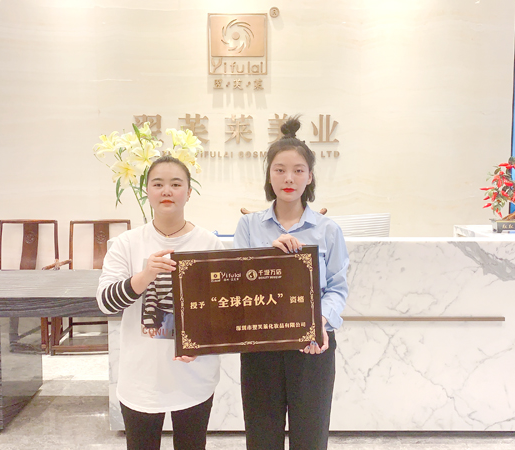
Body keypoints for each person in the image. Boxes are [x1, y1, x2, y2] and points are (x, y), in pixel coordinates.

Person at [233, 116, 349, 450]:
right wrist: (268, 258)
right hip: (260, 348)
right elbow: (236, 286)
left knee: (310, 438)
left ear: (310, 176)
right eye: (280, 169)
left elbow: (337, 288)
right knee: (261, 438)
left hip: (313, 346)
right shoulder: (249, 227)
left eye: (298, 170)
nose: (289, 178)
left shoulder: (328, 230)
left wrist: (318, 322)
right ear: (269, 175)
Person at [97, 155, 223, 450]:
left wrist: (202, 344)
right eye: (158, 184)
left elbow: (222, 311)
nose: (167, 191)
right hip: (141, 380)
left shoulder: (208, 243)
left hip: (194, 378)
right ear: (147, 192)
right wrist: (144, 277)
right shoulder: (127, 243)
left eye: (176, 184)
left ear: (189, 192)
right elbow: (105, 303)